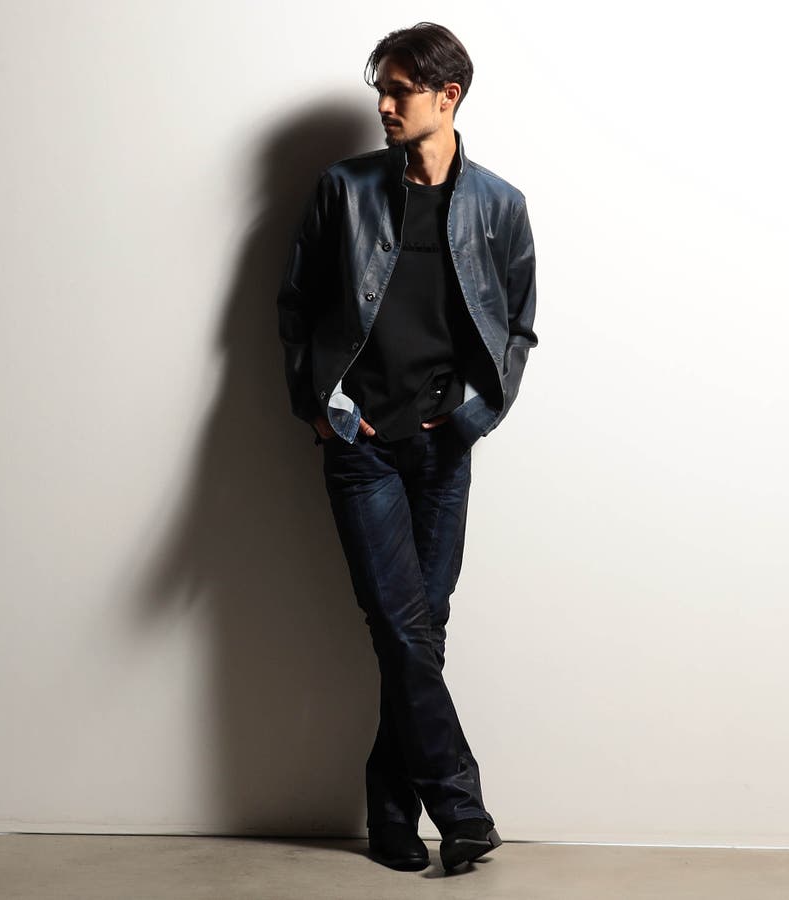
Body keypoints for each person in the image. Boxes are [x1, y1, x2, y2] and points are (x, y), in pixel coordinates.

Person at [276, 22, 537, 872]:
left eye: (399, 91)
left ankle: (391, 817)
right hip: (362, 444)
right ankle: (462, 808)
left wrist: (473, 417)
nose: (384, 106)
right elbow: (294, 306)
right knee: (398, 622)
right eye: (380, 91)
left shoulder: (500, 206)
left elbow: (518, 330)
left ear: (447, 96)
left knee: (421, 629)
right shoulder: (343, 190)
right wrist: (321, 407)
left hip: (444, 448)